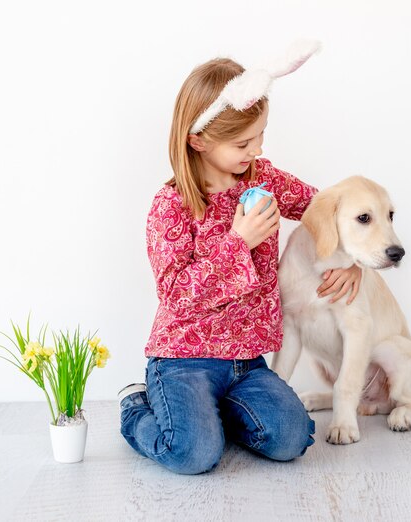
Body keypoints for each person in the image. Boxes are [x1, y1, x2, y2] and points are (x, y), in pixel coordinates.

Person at [119, 41, 362, 475]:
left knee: (292, 437)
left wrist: (353, 259)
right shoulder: (171, 205)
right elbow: (176, 295)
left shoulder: (263, 178)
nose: (256, 150)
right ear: (198, 141)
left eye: (262, 135)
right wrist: (238, 240)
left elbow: (323, 207)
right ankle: (137, 408)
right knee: (193, 454)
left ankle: (214, 417)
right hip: (182, 360)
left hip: (245, 362)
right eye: (243, 142)